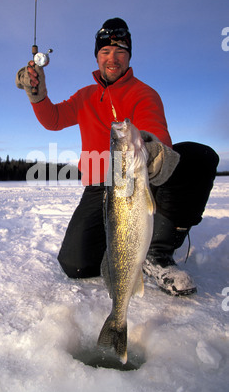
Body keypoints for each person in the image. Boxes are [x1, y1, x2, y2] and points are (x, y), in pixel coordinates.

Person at [16, 17, 219, 296]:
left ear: (129, 56)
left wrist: (154, 150)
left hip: (137, 179)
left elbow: (155, 130)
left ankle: (156, 254)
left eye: (121, 51)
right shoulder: (85, 96)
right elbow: (54, 119)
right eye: (106, 52)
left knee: (197, 157)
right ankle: (122, 249)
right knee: (76, 264)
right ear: (97, 56)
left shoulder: (144, 94)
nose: (113, 58)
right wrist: (36, 94)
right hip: (99, 186)